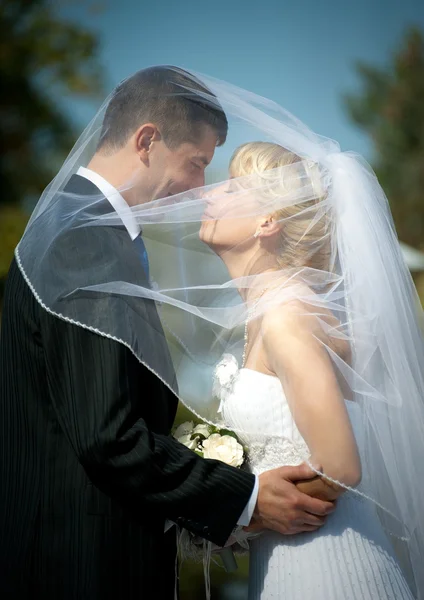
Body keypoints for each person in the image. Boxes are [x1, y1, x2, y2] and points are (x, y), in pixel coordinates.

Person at [0, 67, 333, 600]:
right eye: (197, 163)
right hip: (79, 565)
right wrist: (243, 500)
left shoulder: (86, 231)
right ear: (147, 141)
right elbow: (107, 434)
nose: (201, 189)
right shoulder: (83, 242)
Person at [200, 141, 419, 599]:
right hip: (289, 564)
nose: (206, 194)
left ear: (268, 221)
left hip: (331, 569)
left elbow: (341, 466)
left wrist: (255, 510)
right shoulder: (273, 311)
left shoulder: (286, 316)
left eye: (231, 186)